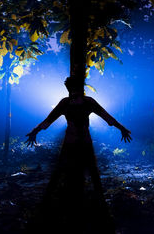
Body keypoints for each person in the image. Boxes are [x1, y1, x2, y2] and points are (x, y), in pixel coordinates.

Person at [25, 76, 131, 233]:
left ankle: (97, 206)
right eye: (72, 89)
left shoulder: (86, 102)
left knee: (90, 172)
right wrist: (35, 130)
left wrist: (121, 127)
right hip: (72, 142)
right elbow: (49, 120)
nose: (74, 92)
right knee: (65, 171)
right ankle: (51, 205)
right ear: (69, 89)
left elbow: (106, 116)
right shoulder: (67, 103)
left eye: (76, 88)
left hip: (82, 142)